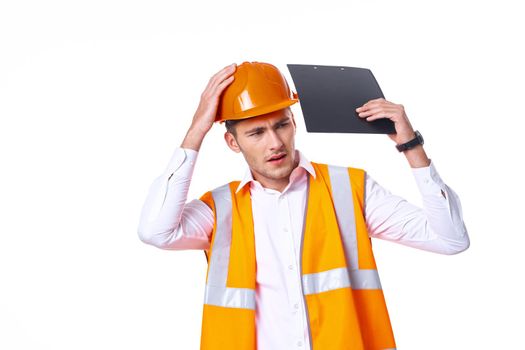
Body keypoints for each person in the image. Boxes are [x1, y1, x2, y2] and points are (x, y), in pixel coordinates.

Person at [137, 61, 470, 350]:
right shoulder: (219, 209)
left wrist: (411, 146)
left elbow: (451, 239)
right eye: (256, 133)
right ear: (232, 142)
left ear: (294, 123)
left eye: (282, 124)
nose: (275, 143)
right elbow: (155, 231)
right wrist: (197, 128)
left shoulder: (349, 188)